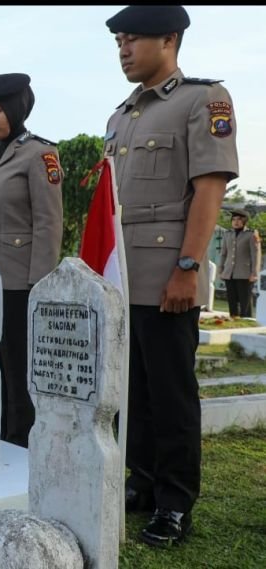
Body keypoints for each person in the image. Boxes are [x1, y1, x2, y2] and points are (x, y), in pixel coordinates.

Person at [104, 5, 239, 547]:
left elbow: (209, 188)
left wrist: (187, 268)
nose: (123, 49)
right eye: (119, 42)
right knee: (132, 390)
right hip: (123, 277)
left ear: (170, 39)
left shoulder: (202, 99)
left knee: (171, 393)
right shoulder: (120, 116)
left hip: (167, 276)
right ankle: (143, 480)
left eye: (133, 39)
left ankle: (175, 502)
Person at [0, 73, 64, 449]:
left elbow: (49, 222)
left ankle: (21, 439)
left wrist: (41, 280)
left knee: (18, 365)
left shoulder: (40, 153)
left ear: (17, 108)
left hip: (20, 281)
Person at [219, 209, 261, 318]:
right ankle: (233, 322)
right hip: (229, 273)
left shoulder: (251, 234)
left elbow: (255, 255)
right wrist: (221, 270)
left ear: (245, 221)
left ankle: (246, 323)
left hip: (245, 274)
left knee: (245, 302)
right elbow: (223, 254)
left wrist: (254, 273)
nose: (236, 222)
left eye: (239, 219)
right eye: (234, 219)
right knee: (232, 301)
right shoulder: (227, 234)